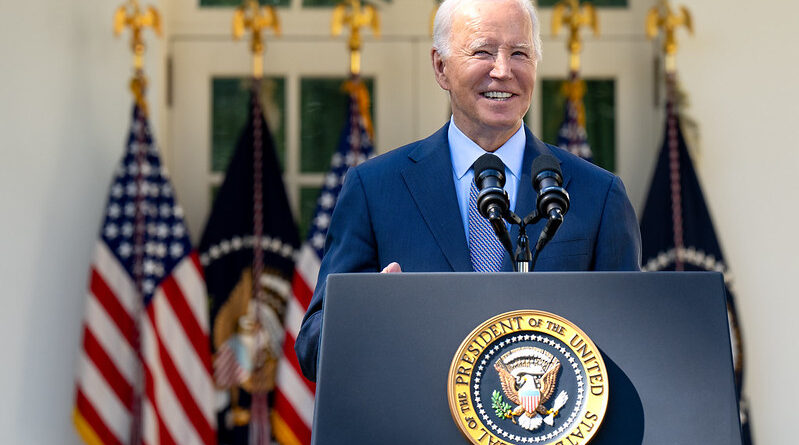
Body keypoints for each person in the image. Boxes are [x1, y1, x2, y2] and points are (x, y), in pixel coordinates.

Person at [295, 0, 641, 382]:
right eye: (483, 52)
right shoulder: (374, 188)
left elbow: (632, 342)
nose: (503, 71)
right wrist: (369, 312)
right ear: (441, 67)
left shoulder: (599, 194)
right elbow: (312, 349)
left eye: (520, 53)